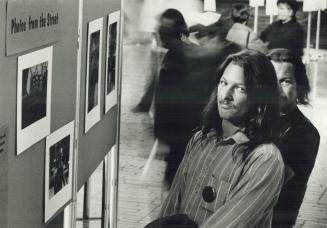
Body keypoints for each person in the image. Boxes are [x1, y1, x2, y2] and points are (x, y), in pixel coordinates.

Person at [147, 50, 285, 228]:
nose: (226, 95)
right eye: (223, 83)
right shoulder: (201, 139)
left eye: (240, 88)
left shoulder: (265, 159)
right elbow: (171, 208)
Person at [267, 48, 320, 228]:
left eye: (285, 81)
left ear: (300, 86)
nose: (276, 88)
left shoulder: (306, 134)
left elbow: (267, 185)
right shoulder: (255, 119)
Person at [153, 8, 197, 187]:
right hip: (191, 130)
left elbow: (165, 103)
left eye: (162, 29)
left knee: (172, 182)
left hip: (179, 131)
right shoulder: (191, 49)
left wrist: (162, 137)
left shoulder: (173, 59)